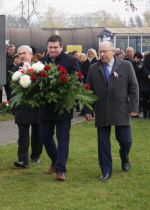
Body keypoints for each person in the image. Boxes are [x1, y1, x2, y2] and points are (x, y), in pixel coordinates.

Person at [84, 41, 139, 180]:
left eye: (105, 51)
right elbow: (88, 90)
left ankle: (124, 157)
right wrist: (87, 109)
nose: (102, 54)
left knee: (126, 140)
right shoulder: (93, 68)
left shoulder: (126, 66)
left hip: (122, 109)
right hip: (102, 109)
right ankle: (106, 170)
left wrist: (133, 107)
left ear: (113, 51)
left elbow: (134, 87)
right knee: (103, 143)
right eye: (100, 51)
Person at [39, 35, 80, 181]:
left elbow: (77, 81)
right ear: (47, 47)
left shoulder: (71, 60)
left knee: (63, 139)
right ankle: (55, 160)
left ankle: (61, 170)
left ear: (61, 47)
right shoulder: (41, 62)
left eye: (55, 47)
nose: (52, 50)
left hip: (63, 107)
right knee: (44, 136)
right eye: (50, 47)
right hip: (46, 107)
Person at [11, 45, 43, 168]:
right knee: (22, 133)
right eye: (20, 54)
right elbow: (12, 91)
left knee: (37, 133)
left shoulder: (38, 69)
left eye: (24, 53)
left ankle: (36, 155)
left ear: (30, 55)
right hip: (22, 107)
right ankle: (23, 160)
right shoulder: (14, 71)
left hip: (36, 106)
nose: (22, 56)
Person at [142, 51, 150, 118]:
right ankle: (145, 115)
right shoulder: (147, 57)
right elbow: (144, 67)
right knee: (145, 99)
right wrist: (148, 74)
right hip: (147, 82)